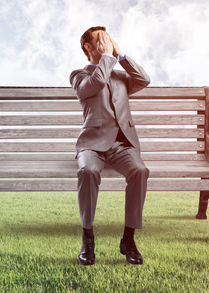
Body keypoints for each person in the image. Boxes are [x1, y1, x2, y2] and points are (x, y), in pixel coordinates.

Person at [69, 26, 151, 266]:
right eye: (101, 39)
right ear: (88, 47)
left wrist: (120, 54)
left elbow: (144, 79)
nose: (106, 42)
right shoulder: (79, 75)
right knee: (87, 171)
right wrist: (107, 57)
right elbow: (95, 84)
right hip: (92, 145)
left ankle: (128, 239)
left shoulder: (121, 77)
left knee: (140, 171)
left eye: (108, 38)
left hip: (121, 145)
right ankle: (88, 238)